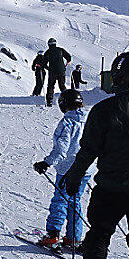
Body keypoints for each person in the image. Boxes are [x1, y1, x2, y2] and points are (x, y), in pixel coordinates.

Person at [61, 51, 129, 259]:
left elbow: (88, 150)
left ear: (120, 77)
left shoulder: (105, 109)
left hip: (112, 187)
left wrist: (74, 177)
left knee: (98, 239)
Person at [32, 89, 89, 249]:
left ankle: (52, 235)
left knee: (61, 200)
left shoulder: (68, 123)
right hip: (85, 169)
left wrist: (47, 163)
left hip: (67, 170)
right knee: (75, 201)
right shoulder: (88, 120)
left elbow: (61, 149)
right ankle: (73, 237)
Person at [43, 37, 72, 107]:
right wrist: (67, 63)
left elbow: (43, 63)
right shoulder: (60, 50)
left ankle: (49, 101)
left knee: (50, 86)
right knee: (62, 86)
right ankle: (67, 99)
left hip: (52, 72)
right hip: (61, 71)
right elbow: (69, 57)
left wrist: (48, 68)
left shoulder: (47, 52)